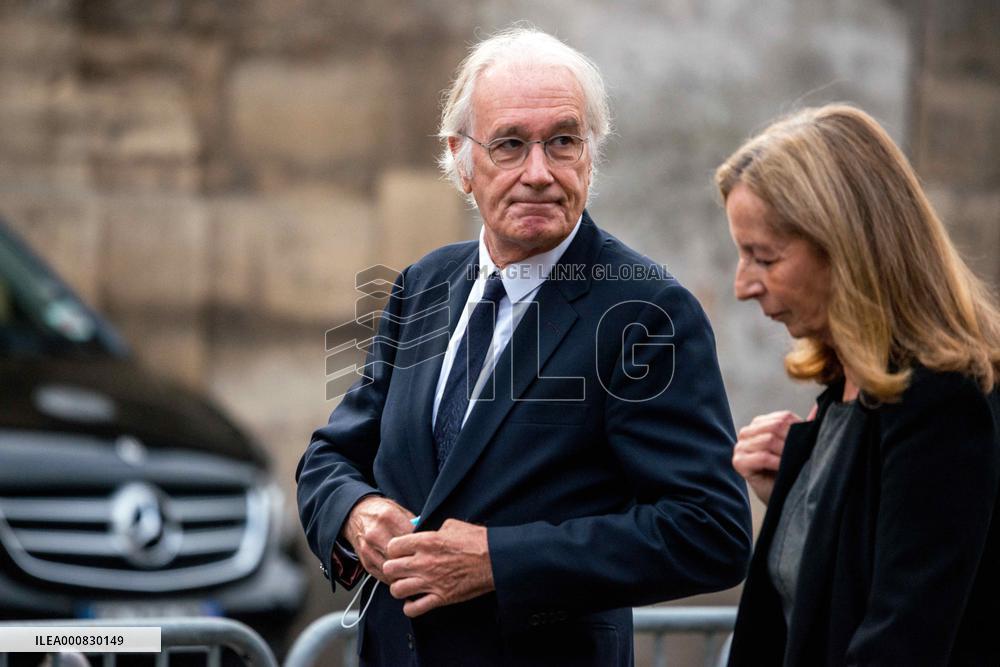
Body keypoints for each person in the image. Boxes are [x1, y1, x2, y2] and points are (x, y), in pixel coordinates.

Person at [297, 27, 752, 666]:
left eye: (563, 142)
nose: (538, 173)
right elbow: (330, 457)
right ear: (461, 161)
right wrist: (356, 513)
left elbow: (710, 530)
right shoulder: (423, 284)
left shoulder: (644, 312)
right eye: (510, 145)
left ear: (590, 155)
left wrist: (498, 562)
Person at [716, 104, 1000, 666]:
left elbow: (903, 637)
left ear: (844, 251)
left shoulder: (941, 401)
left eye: (763, 257)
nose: (743, 284)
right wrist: (798, 497)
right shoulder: (849, 395)